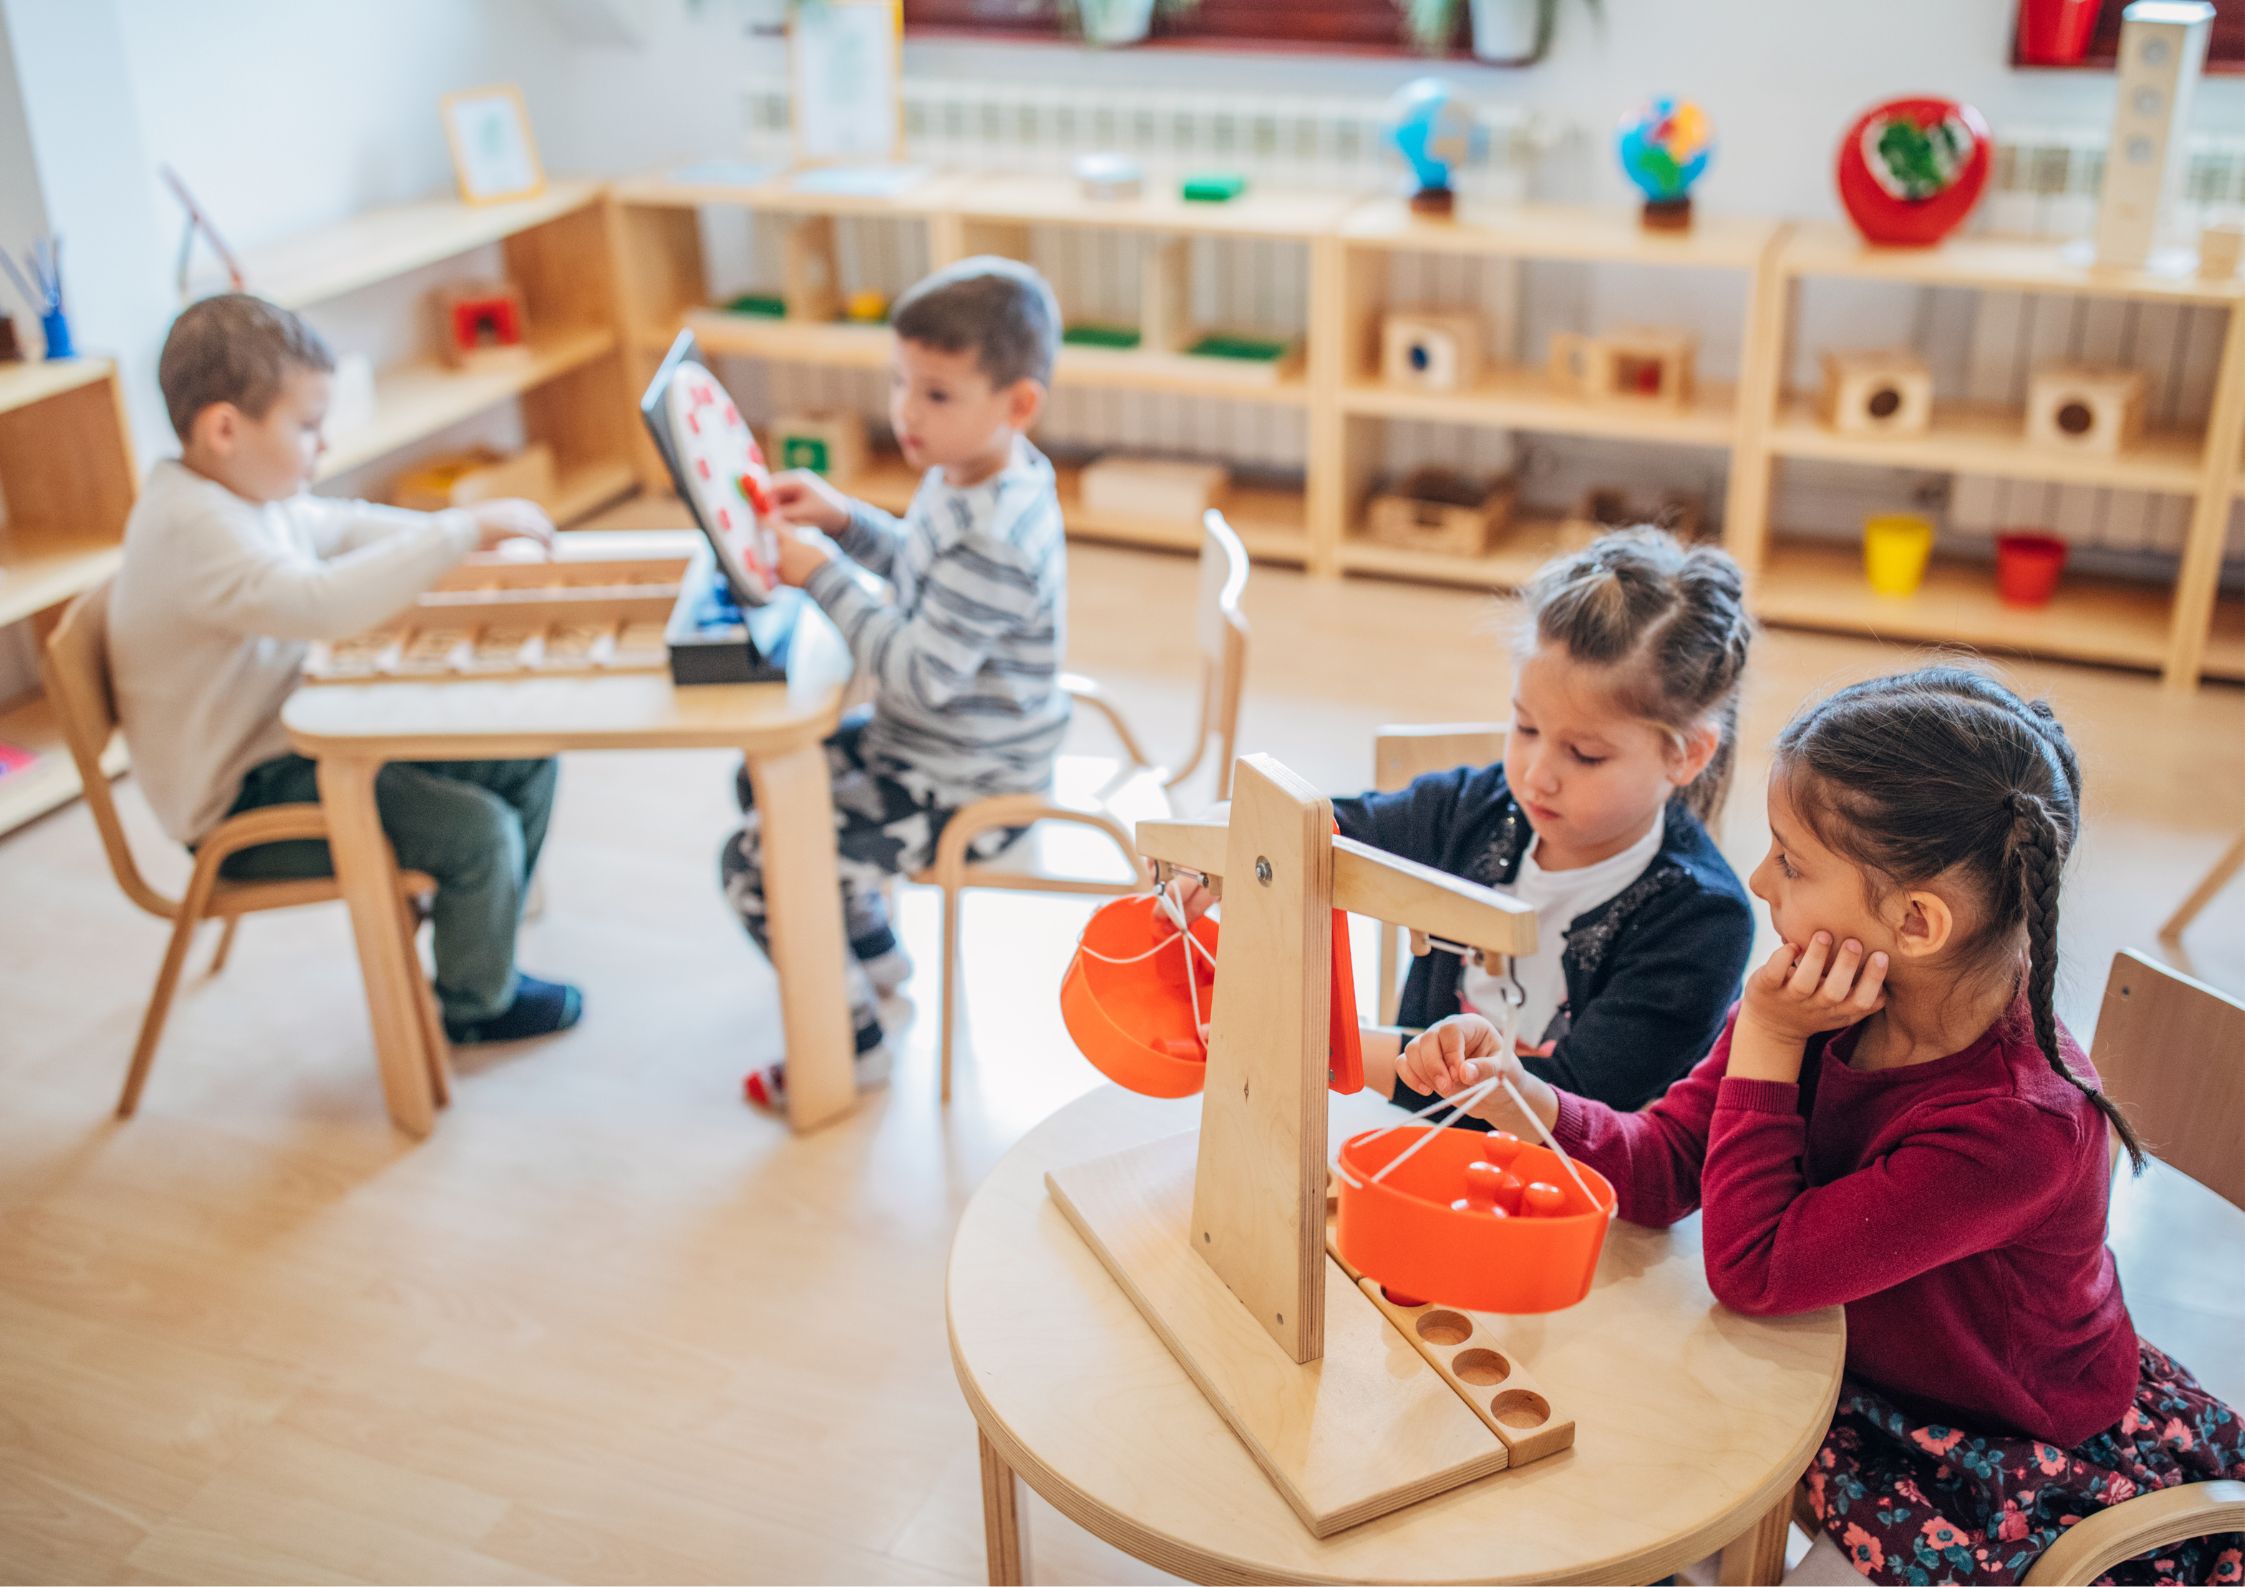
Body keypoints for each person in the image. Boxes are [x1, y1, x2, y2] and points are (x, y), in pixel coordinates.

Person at [1394, 666, 2245, 1586]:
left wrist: (1765, 1037)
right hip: (1835, 1365)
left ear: (1915, 923)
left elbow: (1753, 1271)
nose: (1758, 877)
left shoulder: (2019, 1126)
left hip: (1990, 1443)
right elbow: (1670, 1161)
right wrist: (1521, 1096)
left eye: (1791, 862)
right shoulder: (1830, 991)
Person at [109, 293, 580, 1044]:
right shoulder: (193, 526)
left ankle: (474, 930)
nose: (322, 446)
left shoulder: (239, 494)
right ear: (225, 429)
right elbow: (319, 602)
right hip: (244, 802)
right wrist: (458, 532)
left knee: (525, 754)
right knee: (478, 833)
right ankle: (474, 1002)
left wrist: (452, 537)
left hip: (298, 743)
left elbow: (339, 527)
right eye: (306, 426)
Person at [721, 257, 1068, 1106]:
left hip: (968, 788)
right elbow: (921, 563)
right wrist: (846, 520)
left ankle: (855, 1044)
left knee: (752, 862)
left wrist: (824, 573)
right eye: (899, 383)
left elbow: (911, 678)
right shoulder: (978, 470)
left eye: (936, 394)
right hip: (941, 753)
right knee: (759, 778)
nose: (905, 412)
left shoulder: (994, 534)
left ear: (1017, 403)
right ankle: (879, 956)